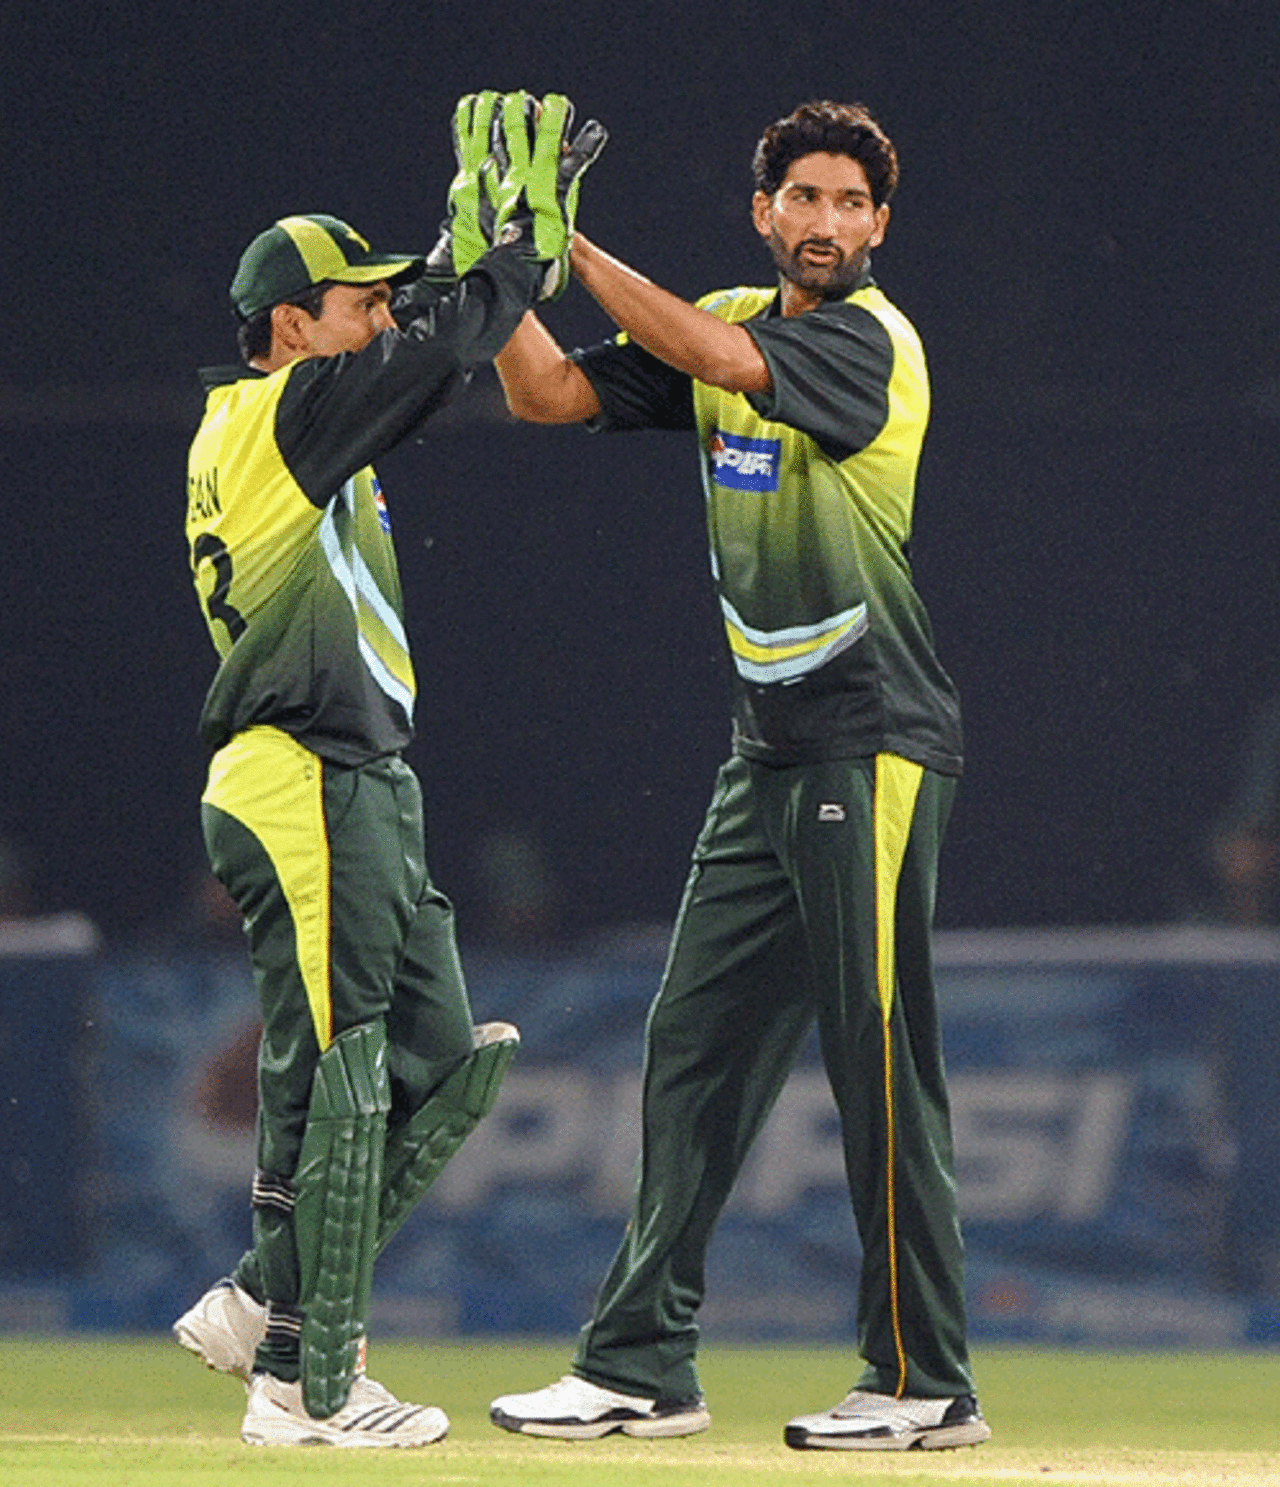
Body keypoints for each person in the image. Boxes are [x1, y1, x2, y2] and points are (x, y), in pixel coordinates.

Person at [483, 98, 990, 1451]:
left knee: (878, 1063)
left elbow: (721, 356)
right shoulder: (719, 317)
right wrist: (500, 271)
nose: (826, 222)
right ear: (763, 211)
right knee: (693, 1049)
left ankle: (924, 1381)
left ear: (879, 226)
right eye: (803, 197)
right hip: (764, 755)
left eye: (850, 203)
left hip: (871, 741)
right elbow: (547, 394)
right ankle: (639, 1364)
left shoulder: (869, 341)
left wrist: (571, 245)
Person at [171, 96, 604, 1448]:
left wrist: (473, 256)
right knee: (345, 1074)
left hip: (361, 776)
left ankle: (263, 1297)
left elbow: (428, 338)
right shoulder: (275, 415)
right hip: (300, 773)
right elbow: (438, 350)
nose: (375, 320)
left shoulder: (303, 421)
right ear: (291, 324)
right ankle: (309, 1381)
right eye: (354, 304)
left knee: (445, 1063)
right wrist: (510, 262)